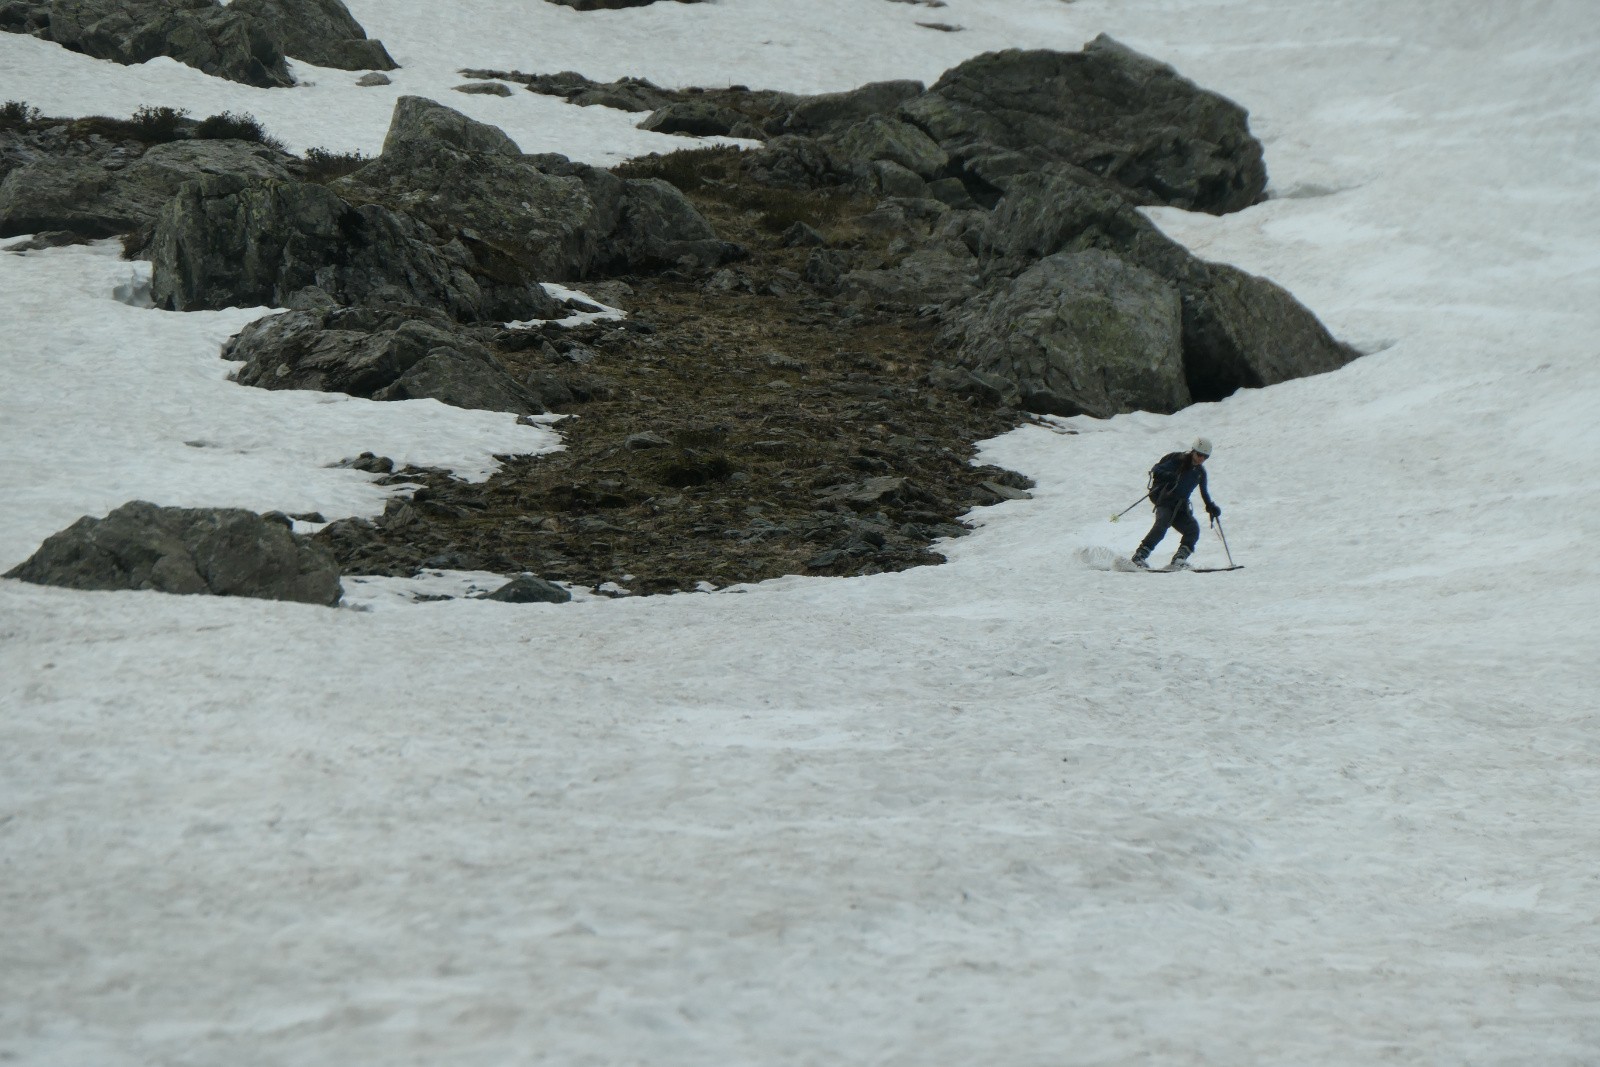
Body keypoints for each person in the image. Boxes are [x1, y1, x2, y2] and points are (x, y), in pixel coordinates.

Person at [1132, 437, 1221, 569]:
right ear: (1193, 451)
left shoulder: (1200, 472)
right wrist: (1169, 476)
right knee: (1162, 526)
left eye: (1205, 457)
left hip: (1181, 507)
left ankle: (1179, 560)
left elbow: (1204, 493)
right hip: (1166, 501)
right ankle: (1139, 557)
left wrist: (1211, 506)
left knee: (1192, 529)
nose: (1201, 458)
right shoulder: (1178, 460)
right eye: (1199, 454)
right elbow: (1156, 470)